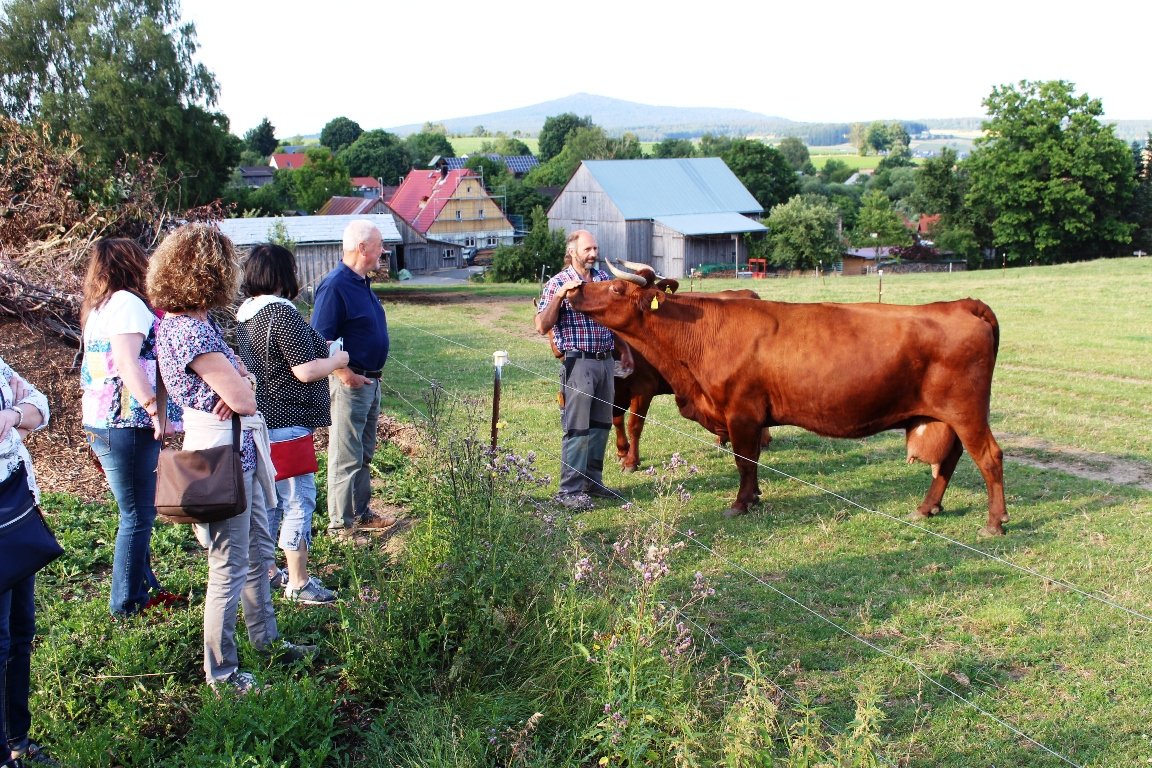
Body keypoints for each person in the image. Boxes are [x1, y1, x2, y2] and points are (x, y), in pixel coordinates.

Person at [147, 223, 314, 693]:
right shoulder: (190, 330)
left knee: (258, 552)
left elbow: (245, 385)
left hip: (238, 453)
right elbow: (244, 398)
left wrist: (242, 381)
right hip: (224, 459)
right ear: (209, 273)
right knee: (228, 567)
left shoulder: (188, 324)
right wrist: (241, 384)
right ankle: (222, 673)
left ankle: (266, 641)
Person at [235, 244, 350, 604]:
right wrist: (337, 361)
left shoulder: (245, 316)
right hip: (288, 421)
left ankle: (269, 571)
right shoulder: (280, 314)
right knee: (298, 499)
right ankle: (298, 583)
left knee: (270, 501)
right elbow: (305, 371)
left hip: (262, 423)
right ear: (284, 275)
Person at [79, 237, 185, 617]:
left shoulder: (101, 307)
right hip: (126, 423)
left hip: (104, 422)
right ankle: (126, 603)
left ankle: (143, 588)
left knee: (135, 512)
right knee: (137, 515)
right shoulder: (127, 303)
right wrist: (155, 412)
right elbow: (126, 363)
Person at [534, 230, 630, 509]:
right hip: (579, 363)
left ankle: (593, 482)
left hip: (605, 362)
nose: (593, 254)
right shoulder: (557, 283)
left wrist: (624, 351)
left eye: (595, 248)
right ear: (572, 251)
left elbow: (615, 320)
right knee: (577, 428)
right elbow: (541, 325)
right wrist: (560, 297)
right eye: (587, 249)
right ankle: (570, 491)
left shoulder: (603, 280)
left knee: (601, 425)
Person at [310, 220, 391, 536]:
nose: (383, 251)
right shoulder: (335, 286)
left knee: (363, 454)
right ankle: (340, 528)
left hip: (370, 382)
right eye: (379, 245)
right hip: (350, 384)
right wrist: (345, 374)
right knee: (345, 457)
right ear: (362, 247)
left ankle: (361, 513)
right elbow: (319, 339)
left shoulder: (361, 283)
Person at [1, 357, 57, 767]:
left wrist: (13, 416)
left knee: (21, 632)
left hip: (16, 512)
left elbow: (41, 405)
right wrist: (16, 430)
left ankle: (17, 740)